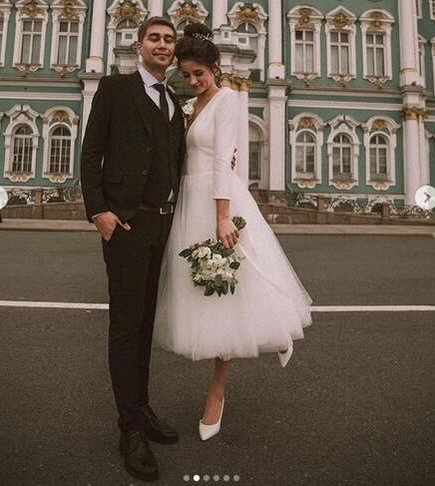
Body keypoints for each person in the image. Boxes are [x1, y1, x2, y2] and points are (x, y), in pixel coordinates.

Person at [153, 23, 313, 441]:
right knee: (213, 293)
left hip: (217, 200)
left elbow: (225, 159)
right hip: (190, 200)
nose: (191, 81)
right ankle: (276, 333)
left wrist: (222, 217)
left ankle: (217, 392)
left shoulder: (227, 101)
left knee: (228, 291)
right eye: (185, 74)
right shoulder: (192, 107)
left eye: (198, 74)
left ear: (215, 68)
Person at [80, 17, 185, 483]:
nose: (162, 45)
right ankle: (129, 430)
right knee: (125, 325)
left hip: (161, 226)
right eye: (154, 39)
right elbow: (90, 152)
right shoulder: (115, 88)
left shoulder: (174, 101)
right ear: (139, 46)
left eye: (168, 40)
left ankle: (140, 409)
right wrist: (98, 211)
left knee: (144, 323)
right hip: (125, 223)